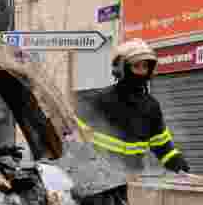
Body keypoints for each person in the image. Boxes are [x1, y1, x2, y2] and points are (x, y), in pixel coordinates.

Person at [74, 39, 190, 175]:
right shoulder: (98, 100)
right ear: (121, 68)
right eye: (136, 66)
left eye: (145, 66)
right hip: (100, 180)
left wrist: (179, 166)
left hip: (134, 180)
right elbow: (74, 140)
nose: (141, 72)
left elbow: (162, 146)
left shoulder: (150, 106)